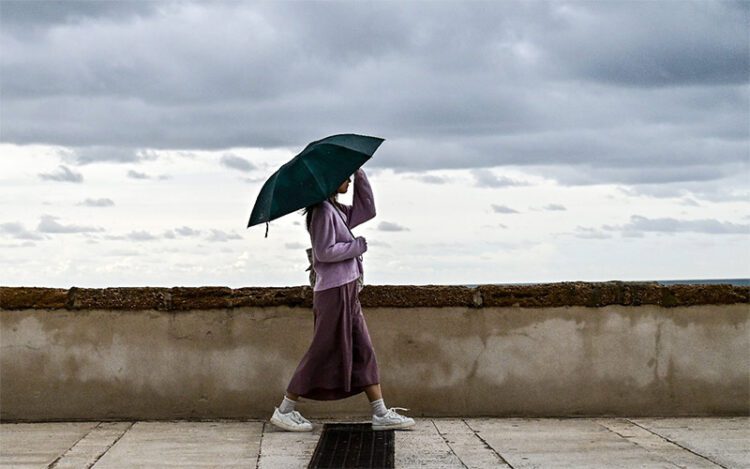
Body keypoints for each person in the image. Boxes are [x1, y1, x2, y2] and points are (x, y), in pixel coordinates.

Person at [269, 167, 415, 432]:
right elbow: (324, 253)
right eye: (344, 176)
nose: (347, 180)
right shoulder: (323, 211)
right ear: (330, 180)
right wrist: (356, 247)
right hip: (334, 291)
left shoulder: (336, 210)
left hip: (346, 289)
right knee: (322, 350)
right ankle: (285, 410)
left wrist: (360, 174)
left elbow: (367, 209)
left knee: (363, 348)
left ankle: (380, 413)